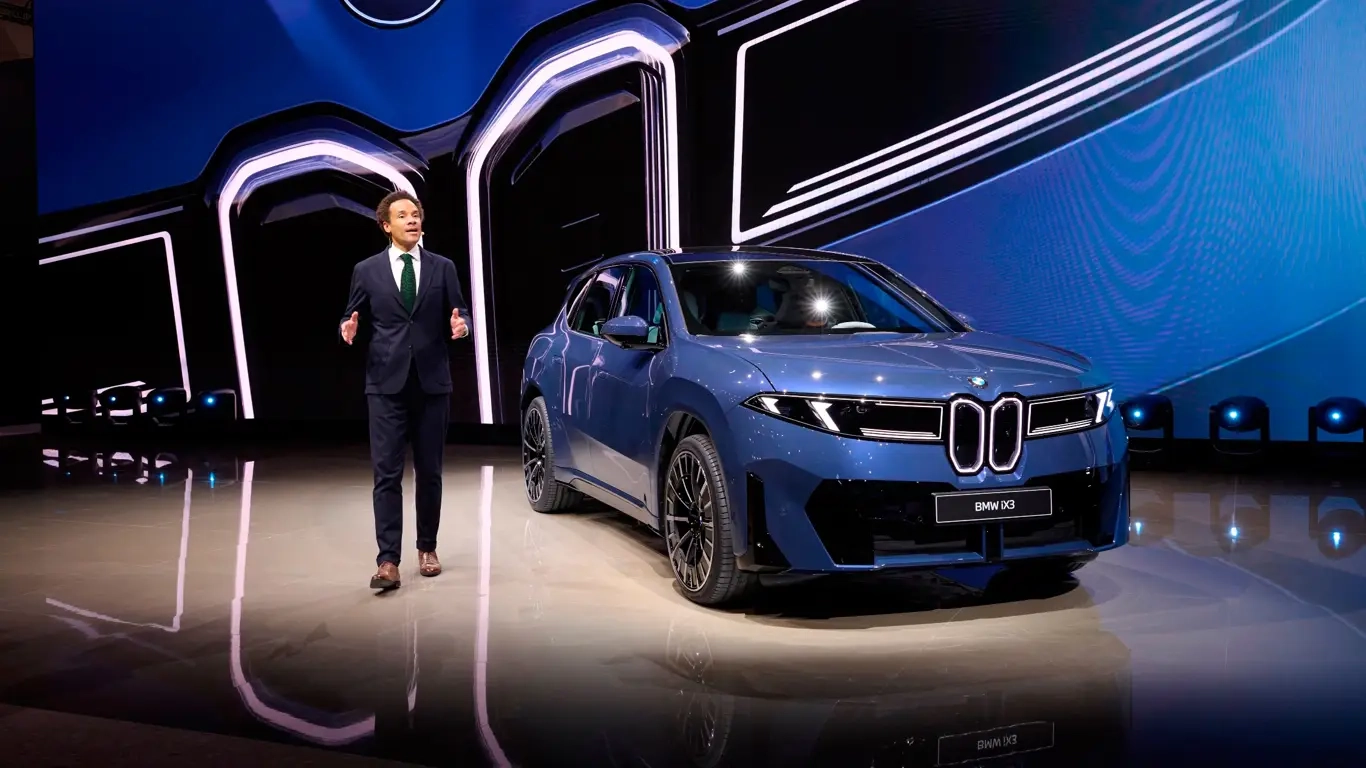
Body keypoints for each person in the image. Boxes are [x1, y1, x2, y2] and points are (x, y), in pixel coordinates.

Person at [340, 190, 470, 591]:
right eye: (402, 215)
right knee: (386, 474)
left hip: (431, 383)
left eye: (415, 214)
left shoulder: (443, 267)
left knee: (430, 472)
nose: (412, 220)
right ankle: (388, 561)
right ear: (386, 225)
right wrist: (348, 326)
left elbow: (460, 310)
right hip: (385, 384)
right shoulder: (366, 270)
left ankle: (427, 548)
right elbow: (351, 313)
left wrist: (462, 324)